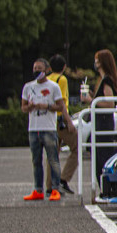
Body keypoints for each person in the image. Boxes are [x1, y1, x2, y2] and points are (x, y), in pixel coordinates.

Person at [22, 58, 65, 201]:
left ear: (46, 70)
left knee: (53, 160)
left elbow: (60, 106)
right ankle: (38, 189)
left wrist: (46, 106)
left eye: (39, 69)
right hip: (34, 128)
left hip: (49, 128)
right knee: (36, 161)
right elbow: (23, 107)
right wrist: (30, 107)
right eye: (35, 68)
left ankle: (55, 189)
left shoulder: (53, 87)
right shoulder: (28, 87)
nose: (36, 71)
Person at [48, 54, 77, 194]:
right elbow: (62, 102)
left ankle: (50, 186)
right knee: (77, 148)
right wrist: (69, 121)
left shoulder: (47, 79)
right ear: (64, 67)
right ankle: (64, 179)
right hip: (61, 120)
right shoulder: (62, 79)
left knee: (52, 154)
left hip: (50, 120)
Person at [90, 49, 117, 185]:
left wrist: (92, 101)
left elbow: (110, 103)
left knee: (102, 158)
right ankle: (105, 187)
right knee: (100, 157)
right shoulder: (105, 80)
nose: (95, 62)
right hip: (102, 123)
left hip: (103, 125)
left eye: (97, 60)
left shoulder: (106, 80)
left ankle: (106, 187)